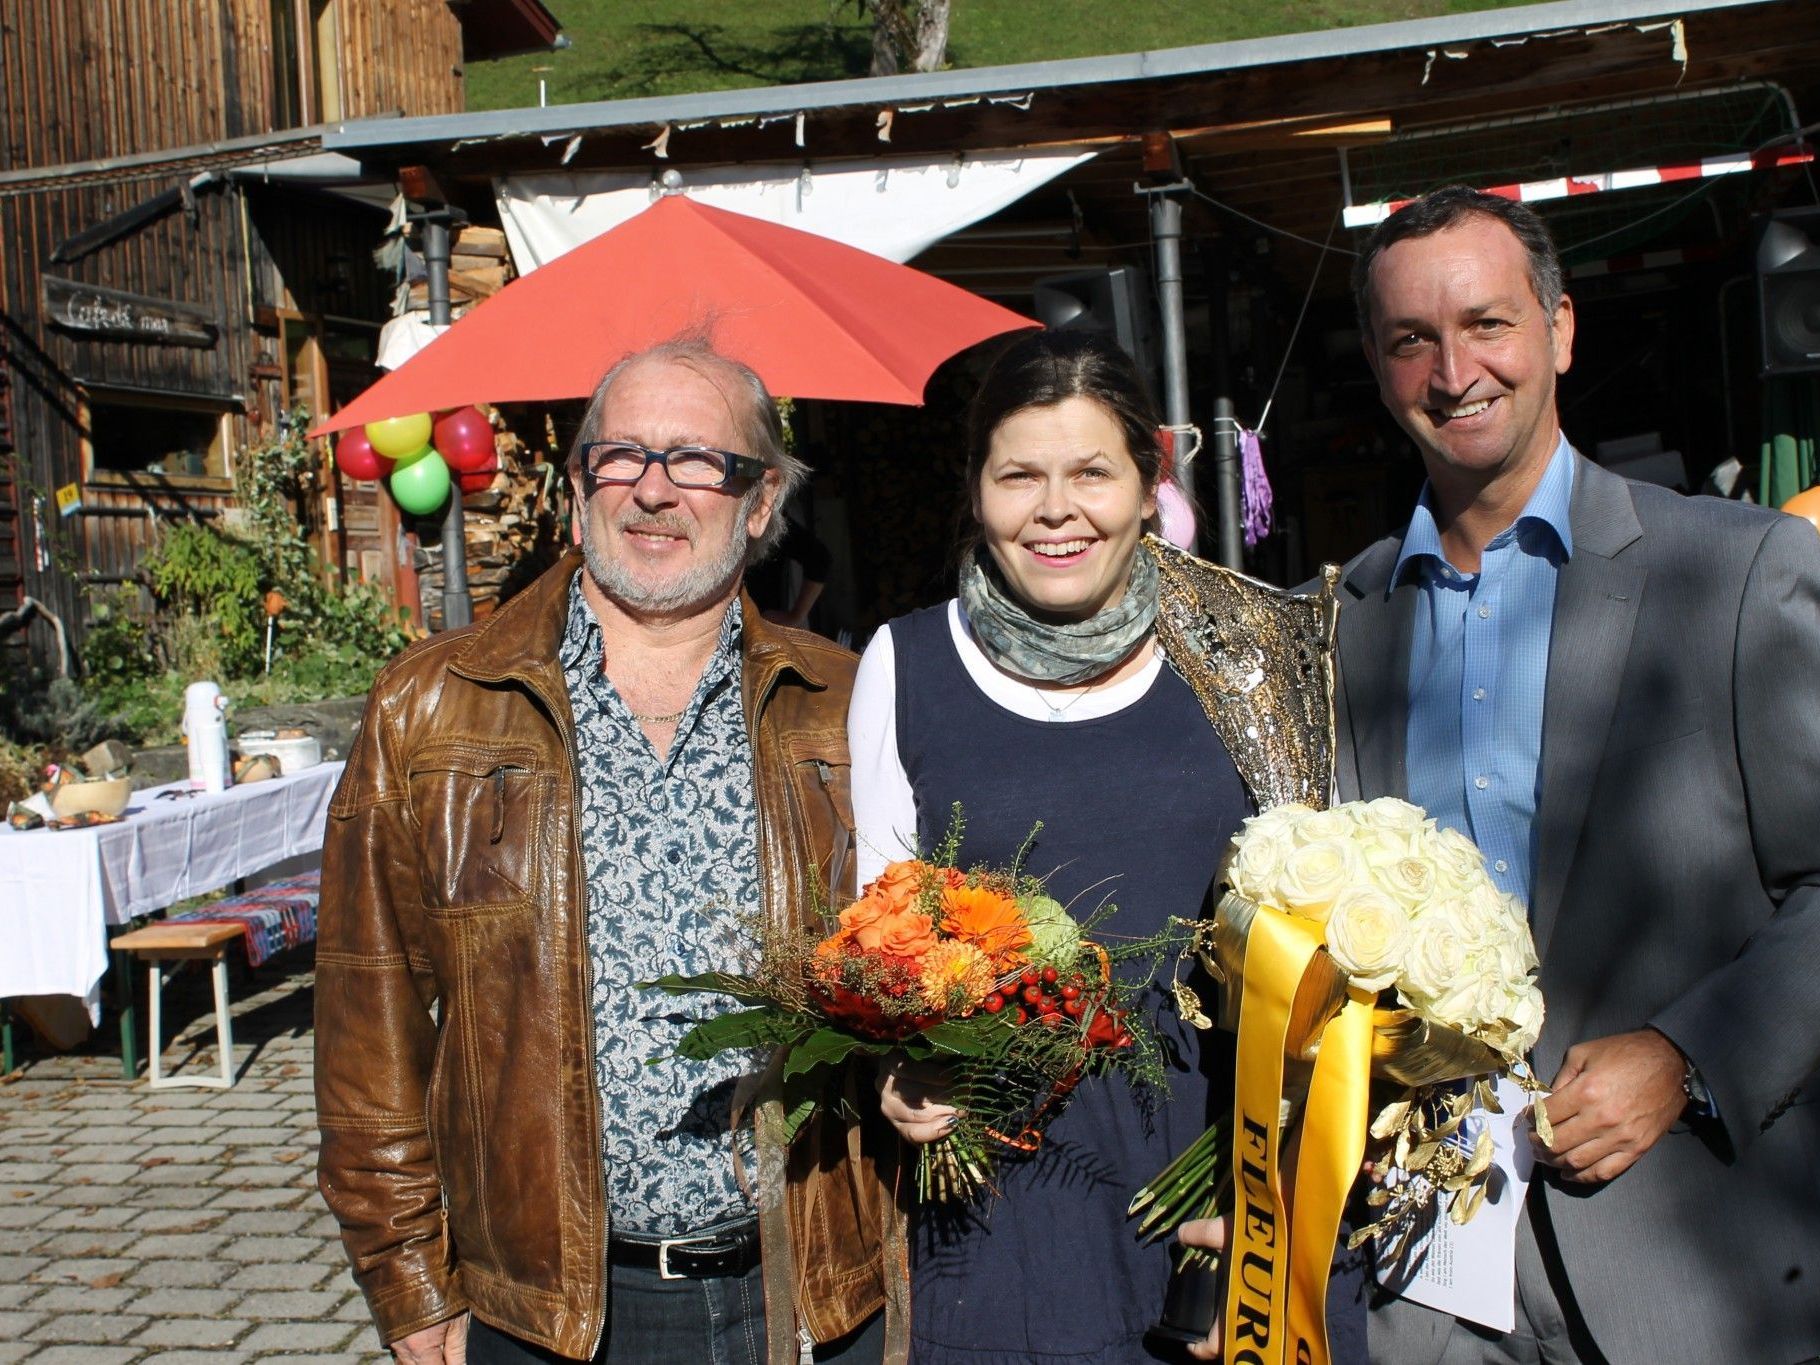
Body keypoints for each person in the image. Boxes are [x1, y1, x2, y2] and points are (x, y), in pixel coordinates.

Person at [314, 338, 895, 1365]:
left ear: (759, 503)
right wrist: (410, 1292)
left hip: (805, 1303)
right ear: (579, 490)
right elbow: (370, 1027)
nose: (652, 490)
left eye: (696, 460)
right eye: (619, 455)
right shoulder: (429, 706)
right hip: (539, 1318)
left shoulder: (851, 707)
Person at [1336, 185, 1820, 1364]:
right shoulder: (1338, 621)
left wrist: (1687, 1056)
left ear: (1557, 329)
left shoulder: (1737, 570)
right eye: (1411, 339)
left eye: (1487, 324)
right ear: (1375, 362)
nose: (1453, 371)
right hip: (1431, 1289)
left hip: (1693, 1264)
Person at [848, 328, 1359, 1364]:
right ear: (976, 489)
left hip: (1226, 1168)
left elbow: (1330, 943)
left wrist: (1272, 1219)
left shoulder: (1246, 653)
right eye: (1018, 476)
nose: (1054, 509)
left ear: (1145, 482)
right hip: (1010, 1195)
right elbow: (878, 940)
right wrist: (894, 1072)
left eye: (1090, 472)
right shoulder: (905, 665)